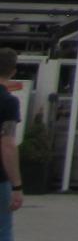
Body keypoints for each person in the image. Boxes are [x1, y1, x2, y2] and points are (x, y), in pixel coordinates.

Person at [1, 48, 22, 241]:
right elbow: (7, 145)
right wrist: (17, 185)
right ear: (13, 71)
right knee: (3, 229)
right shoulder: (8, 102)